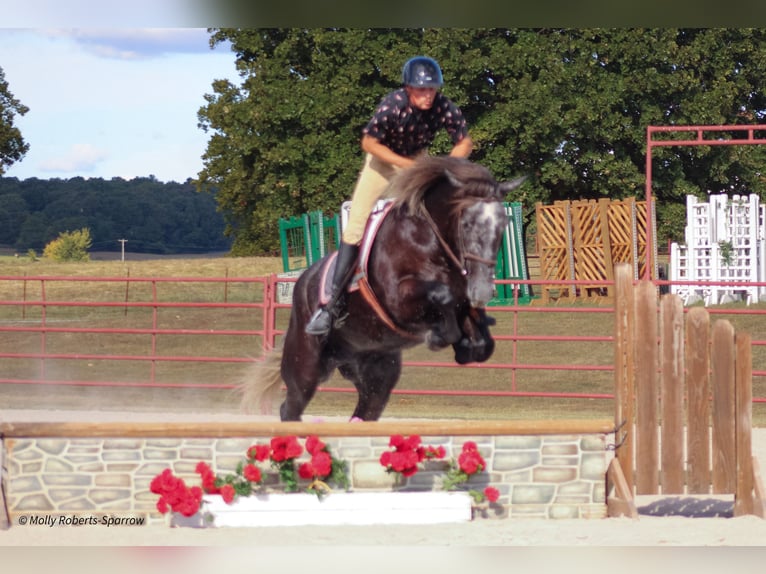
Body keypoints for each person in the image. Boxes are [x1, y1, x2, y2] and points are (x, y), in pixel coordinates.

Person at [306, 55, 474, 335]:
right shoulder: (393, 105)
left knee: (440, 212)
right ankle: (331, 307)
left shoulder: (443, 106)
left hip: (418, 164)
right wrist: (406, 165)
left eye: (432, 89)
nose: (428, 95)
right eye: (422, 90)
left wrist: (447, 165)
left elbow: (464, 141)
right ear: (408, 89)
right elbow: (368, 142)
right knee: (356, 225)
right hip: (383, 165)